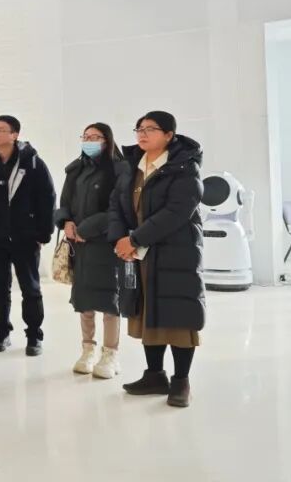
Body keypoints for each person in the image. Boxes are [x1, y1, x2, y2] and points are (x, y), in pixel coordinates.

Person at [108, 111, 204, 408]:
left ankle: (181, 381)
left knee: (178, 318)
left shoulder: (184, 167)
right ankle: (154, 376)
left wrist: (135, 239)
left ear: (169, 135)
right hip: (140, 254)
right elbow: (116, 205)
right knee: (148, 313)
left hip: (175, 252)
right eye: (139, 128)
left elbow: (177, 212)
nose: (142, 133)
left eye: (151, 129)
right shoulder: (132, 166)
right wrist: (120, 239)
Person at [0, 115, 56, 356]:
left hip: (25, 238)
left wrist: (44, 233)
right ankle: (2, 333)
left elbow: (47, 198)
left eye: (1, 130)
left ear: (15, 134)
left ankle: (34, 337)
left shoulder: (33, 163)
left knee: (31, 289)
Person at [54, 123, 128, 379]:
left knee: (109, 300)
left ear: (107, 141)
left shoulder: (119, 169)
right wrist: (66, 222)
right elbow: (64, 202)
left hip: (106, 244)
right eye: (86, 137)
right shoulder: (76, 169)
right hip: (80, 246)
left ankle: (110, 355)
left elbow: (119, 208)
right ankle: (88, 350)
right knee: (84, 300)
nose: (90, 141)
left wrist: (86, 228)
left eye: (96, 137)